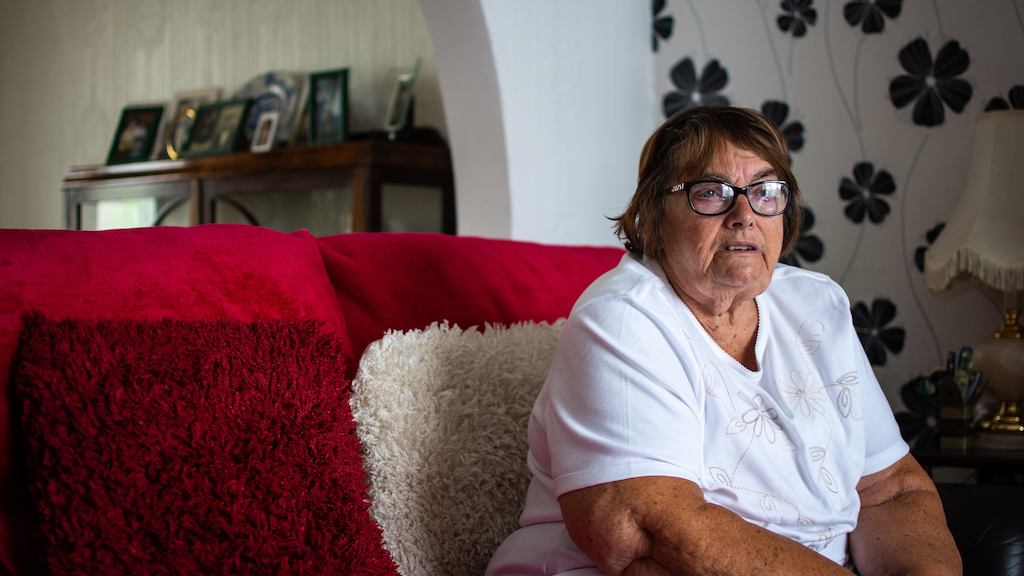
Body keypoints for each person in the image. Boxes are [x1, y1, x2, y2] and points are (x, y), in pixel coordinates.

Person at [486, 106, 960, 575]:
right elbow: (644, 529)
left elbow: (890, 489)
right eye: (711, 193)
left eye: (766, 191)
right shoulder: (623, 320)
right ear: (654, 214)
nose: (744, 214)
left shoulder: (816, 305)